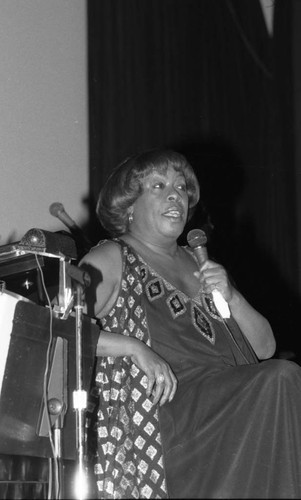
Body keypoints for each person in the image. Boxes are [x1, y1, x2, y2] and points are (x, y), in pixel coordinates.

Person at [80, 149, 301, 499]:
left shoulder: (200, 263)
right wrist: (134, 348)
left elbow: (265, 348)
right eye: (158, 185)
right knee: (279, 380)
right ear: (129, 206)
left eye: (181, 187)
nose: (175, 195)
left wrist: (232, 296)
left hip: (231, 402)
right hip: (168, 420)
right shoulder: (112, 257)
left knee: (284, 377)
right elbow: (61, 327)